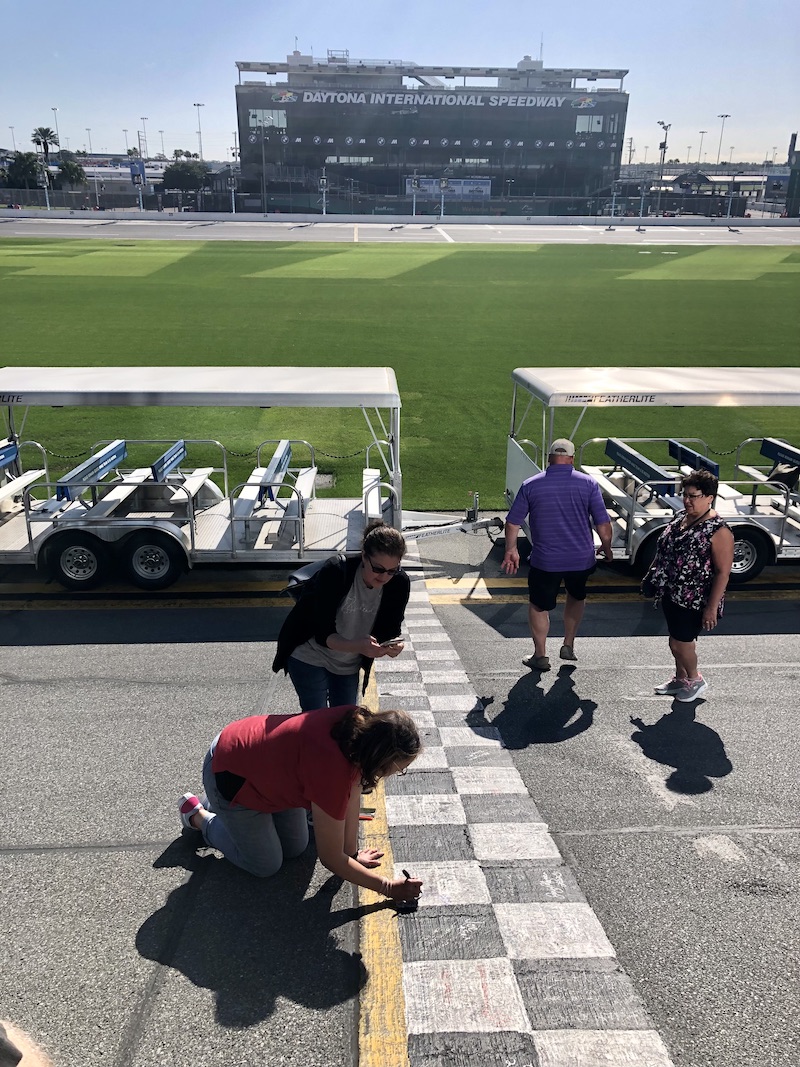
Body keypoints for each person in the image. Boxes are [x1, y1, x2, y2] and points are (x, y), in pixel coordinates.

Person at [178, 704, 422, 903]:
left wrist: (352, 854)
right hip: (229, 772)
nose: (394, 774)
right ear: (380, 758)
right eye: (398, 770)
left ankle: (223, 808)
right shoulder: (332, 772)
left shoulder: (359, 728)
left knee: (296, 848)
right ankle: (201, 816)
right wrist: (388, 887)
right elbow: (330, 859)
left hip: (266, 773)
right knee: (266, 865)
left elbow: (354, 795)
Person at [273, 520, 410, 711]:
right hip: (310, 654)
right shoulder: (337, 571)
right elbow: (322, 634)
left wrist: (391, 645)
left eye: (391, 570)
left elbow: (390, 628)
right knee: (317, 719)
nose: (384, 577)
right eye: (378, 569)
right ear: (364, 556)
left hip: (348, 663)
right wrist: (360, 646)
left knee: (345, 721)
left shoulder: (399, 583)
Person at [502, 438, 613, 670]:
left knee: (538, 606)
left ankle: (540, 656)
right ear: (572, 459)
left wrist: (511, 550)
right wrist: (607, 547)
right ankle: (568, 644)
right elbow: (603, 524)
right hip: (581, 560)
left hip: (545, 562)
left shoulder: (531, 485)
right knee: (576, 596)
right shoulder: (589, 484)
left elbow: (512, 523)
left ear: (549, 458)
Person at [644, 469, 734, 702]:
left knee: (681, 643)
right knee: (675, 639)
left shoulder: (719, 530)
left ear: (709, 497)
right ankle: (680, 677)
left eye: (693, 496)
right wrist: (651, 575)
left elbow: (723, 572)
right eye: (686, 494)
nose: (687, 500)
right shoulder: (681, 517)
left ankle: (695, 679)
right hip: (671, 591)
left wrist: (711, 607)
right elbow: (665, 548)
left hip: (694, 597)